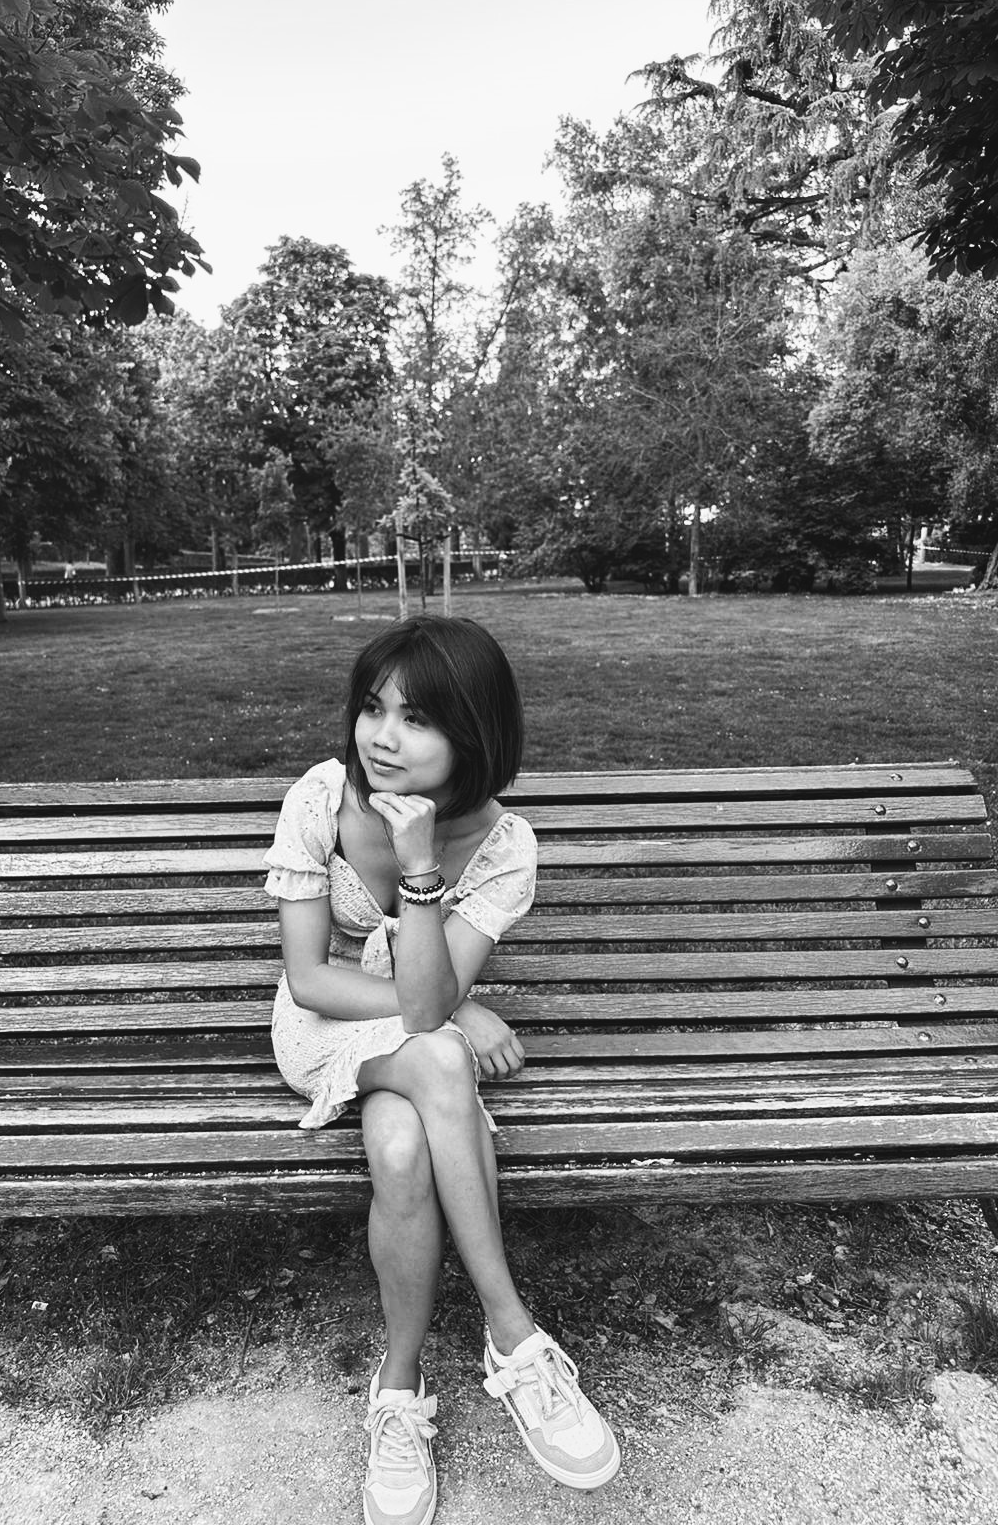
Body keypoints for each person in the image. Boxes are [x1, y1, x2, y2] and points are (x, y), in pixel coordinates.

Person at [264, 615, 620, 1525]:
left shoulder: (504, 847)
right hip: (324, 1029)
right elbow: (312, 980)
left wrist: (421, 868)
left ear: (472, 732)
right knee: (440, 1054)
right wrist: (457, 1008)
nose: (382, 737)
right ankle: (513, 1336)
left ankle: (398, 1389)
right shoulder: (321, 800)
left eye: (416, 718)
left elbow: (426, 1009)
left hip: (418, 1052)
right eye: (373, 708)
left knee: (400, 1150)